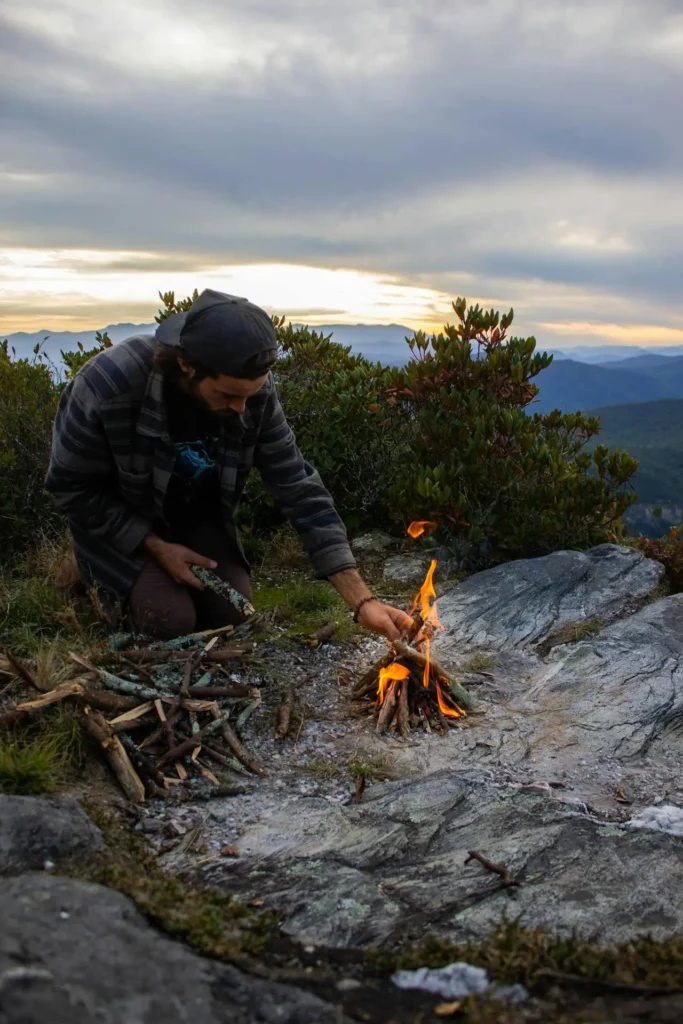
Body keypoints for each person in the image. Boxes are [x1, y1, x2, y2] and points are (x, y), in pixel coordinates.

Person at [45, 289, 414, 641]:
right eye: (227, 395)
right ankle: (85, 569)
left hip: (193, 519)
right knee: (170, 621)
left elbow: (297, 487)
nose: (241, 409)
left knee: (232, 612)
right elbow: (70, 488)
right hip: (125, 521)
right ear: (185, 365)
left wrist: (362, 601)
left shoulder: (251, 392)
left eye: (249, 395)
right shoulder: (108, 386)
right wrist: (155, 546)